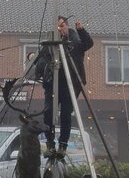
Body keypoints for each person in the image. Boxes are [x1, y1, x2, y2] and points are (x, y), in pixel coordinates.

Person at [33, 15, 93, 156]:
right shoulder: (50, 43)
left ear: (66, 25)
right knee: (48, 113)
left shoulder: (75, 40)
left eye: (61, 26)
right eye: (57, 27)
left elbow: (88, 44)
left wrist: (81, 30)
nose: (59, 29)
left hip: (70, 83)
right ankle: (50, 144)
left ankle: (63, 145)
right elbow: (40, 59)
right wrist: (32, 58)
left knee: (66, 114)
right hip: (51, 83)